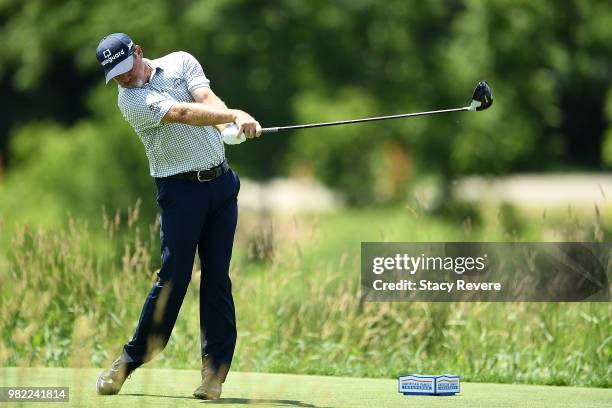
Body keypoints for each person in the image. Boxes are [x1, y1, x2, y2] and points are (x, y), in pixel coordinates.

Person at [94, 32, 261, 400]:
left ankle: (213, 375)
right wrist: (235, 115)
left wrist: (226, 126)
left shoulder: (181, 61)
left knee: (217, 279)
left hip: (220, 187)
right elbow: (182, 113)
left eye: (125, 68)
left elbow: (203, 99)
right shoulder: (131, 100)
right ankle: (129, 360)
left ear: (138, 52)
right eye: (115, 75)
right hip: (179, 193)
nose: (123, 78)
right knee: (173, 279)